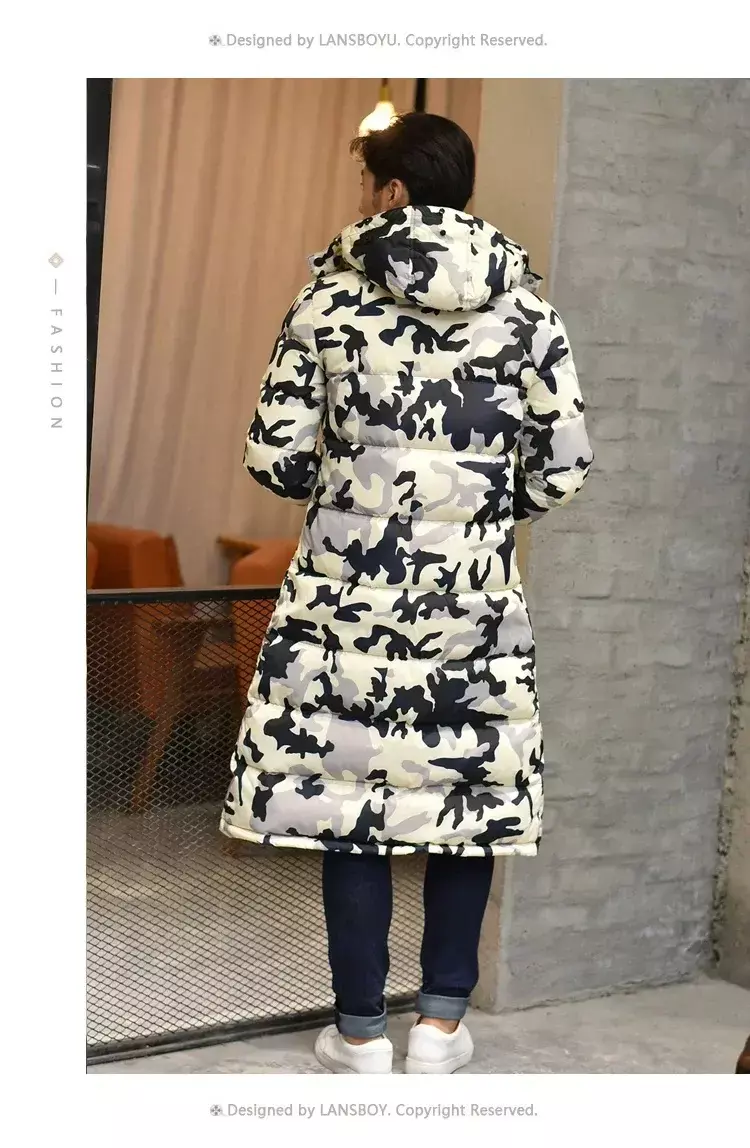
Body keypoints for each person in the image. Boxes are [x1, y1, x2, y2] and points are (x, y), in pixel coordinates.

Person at [220, 112, 593, 1073]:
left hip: (346, 602)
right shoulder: (529, 313)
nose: (359, 202)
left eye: (365, 185)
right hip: (472, 602)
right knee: (464, 798)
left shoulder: (328, 303)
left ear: (390, 192)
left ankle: (358, 1035)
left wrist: (358, 491)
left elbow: (273, 458)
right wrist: (472, 510)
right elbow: (562, 470)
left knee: (354, 800)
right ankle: (439, 1027)